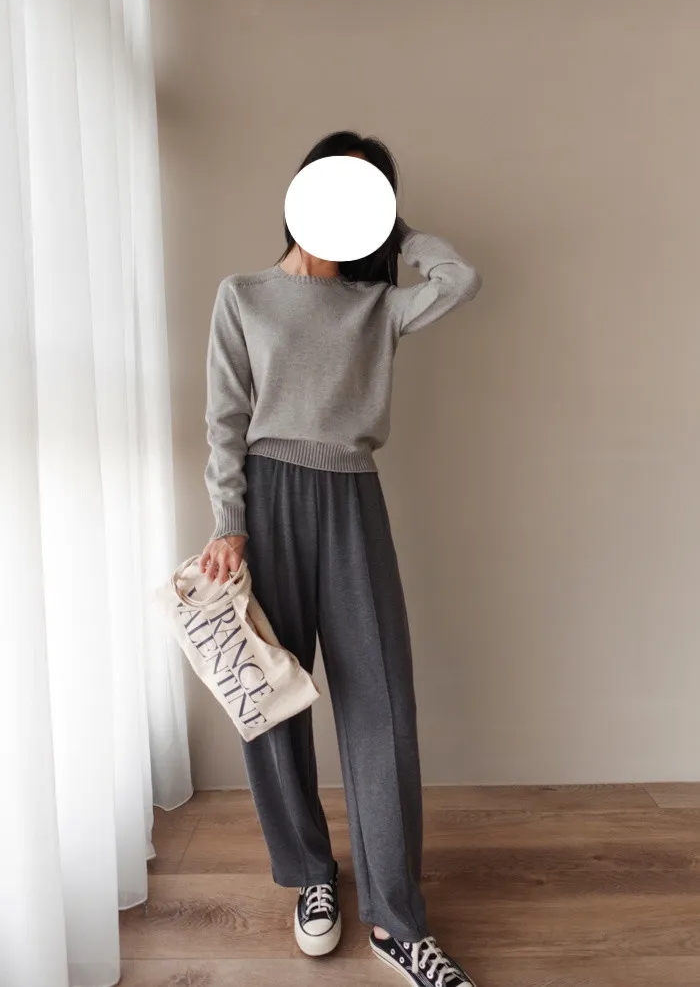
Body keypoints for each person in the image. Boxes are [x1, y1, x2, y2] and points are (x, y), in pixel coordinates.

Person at [199, 130, 483, 987]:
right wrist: (229, 522)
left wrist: (396, 232)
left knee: (380, 706)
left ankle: (397, 921)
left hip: (354, 499)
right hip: (267, 499)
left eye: (368, 194)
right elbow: (225, 420)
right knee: (271, 698)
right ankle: (311, 875)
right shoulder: (243, 295)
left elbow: (460, 279)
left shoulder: (378, 306)